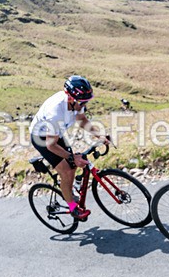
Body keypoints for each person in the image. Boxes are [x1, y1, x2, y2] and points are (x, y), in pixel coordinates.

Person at [29, 75, 109, 221]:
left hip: (56, 135)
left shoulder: (76, 103)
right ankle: (72, 208)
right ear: (71, 99)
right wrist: (72, 157)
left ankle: (67, 188)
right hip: (41, 138)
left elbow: (82, 120)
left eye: (87, 101)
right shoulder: (55, 111)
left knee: (72, 166)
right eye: (83, 102)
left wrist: (100, 135)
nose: (85, 105)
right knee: (67, 171)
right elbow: (51, 145)